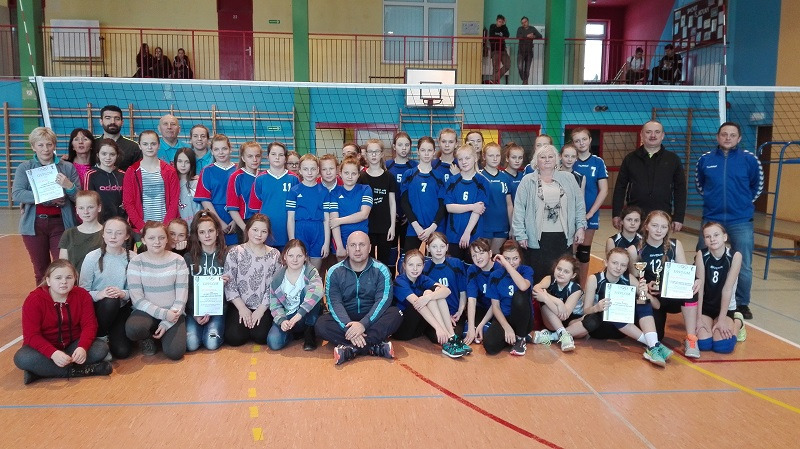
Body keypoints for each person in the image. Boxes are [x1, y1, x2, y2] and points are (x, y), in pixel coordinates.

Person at [535, 248, 674, 367]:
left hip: (622, 330)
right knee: (608, 310)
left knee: (643, 302)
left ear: (627, 267)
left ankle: (653, 346)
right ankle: (654, 345)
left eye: (623, 265)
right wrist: (597, 307)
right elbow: (586, 310)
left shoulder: (630, 279)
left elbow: (657, 305)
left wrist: (645, 293)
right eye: (614, 263)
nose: (618, 267)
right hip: (599, 326)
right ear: (606, 262)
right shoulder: (595, 279)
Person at [696, 122, 763, 320]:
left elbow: (757, 186)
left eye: (732, 135)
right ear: (718, 137)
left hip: (740, 220)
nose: (728, 138)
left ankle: (742, 304)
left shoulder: (749, 160)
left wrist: (741, 203)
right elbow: (701, 185)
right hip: (712, 218)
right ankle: (702, 297)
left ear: (739, 138)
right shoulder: (705, 159)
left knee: (744, 264)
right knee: (701, 258)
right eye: (724, 134)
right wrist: (713, 201)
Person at [14, 260, 111, 384]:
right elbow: (31, 336)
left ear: (75, 279)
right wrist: (53, 353)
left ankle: (40, 372)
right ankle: (82, 370)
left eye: (69, 277)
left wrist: (82, 347)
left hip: (72, 345)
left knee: (100, 349)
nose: (64, 282)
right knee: (22, 358)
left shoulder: (82, 295)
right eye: (58, 278)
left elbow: (89, 325)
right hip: (46, 349)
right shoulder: (34, 300)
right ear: (48, 280)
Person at [314, 231, 402, 365]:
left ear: (369, 247)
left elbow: (383, 300)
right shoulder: (334, 271)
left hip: (372, 318)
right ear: (347, 248)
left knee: (396, 314)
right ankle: (374, 346)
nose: (357, 249)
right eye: (353, 245)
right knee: (321, 324)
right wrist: (348, 327)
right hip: (346, 318)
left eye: (362, 244)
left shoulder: (381, 269)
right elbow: (334, 302)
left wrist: (363, 324)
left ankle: (351, 349)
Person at [12, 127, 80, 284]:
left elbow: (78, 197)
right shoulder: (25, 167)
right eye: (40, 145)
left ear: (54, 145)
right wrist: (47, 199)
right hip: (34, 225)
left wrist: (69, 186)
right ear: (33, 147)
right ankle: (44, 300)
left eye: (49, 144)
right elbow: (17, 194)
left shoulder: (67, 167)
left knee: (63, 268)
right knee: (41, 271)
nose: (46, 149)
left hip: (61, 224)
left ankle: (63, 298)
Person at [512, 144, 586, 285]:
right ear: (536, 161)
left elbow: (579, 205)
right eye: (543, 157)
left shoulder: (569, 178)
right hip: (536, 238)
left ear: (556, 159)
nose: (547, 160)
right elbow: (519, 209)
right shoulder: (528, 180)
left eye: (550, 157)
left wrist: (581, 227)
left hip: (563, 237)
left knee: (561, 276)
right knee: (538, 276)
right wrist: (520, 234)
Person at [628, 210, 700, 357]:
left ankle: (691, 339)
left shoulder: (675, 245)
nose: (659, 230)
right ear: (646, 226)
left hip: (672, 297)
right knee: (658, 336)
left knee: (691, 290)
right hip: (653, 299)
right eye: (655, 225)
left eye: (664, 227)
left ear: (668, 228)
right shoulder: (634, 250)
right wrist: (645, 287)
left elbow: (684, 271)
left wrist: (695, 279)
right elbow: (632, 278)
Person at [125, 221, 189, 360]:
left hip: (173, 313)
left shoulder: (178, 260)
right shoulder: (136, 262)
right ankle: (148, 338)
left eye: (161, 237)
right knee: (133, 329)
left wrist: (167, 321)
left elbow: (182, 296)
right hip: (146, 312)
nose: (157, 242)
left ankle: (163, 332)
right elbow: (137, 299)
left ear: (167, 239)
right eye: (151, 238)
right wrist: (164, 314)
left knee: (175, 353)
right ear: (143, 240)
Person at [612, 120, 687, 233]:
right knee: (634, 244)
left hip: (662, 214)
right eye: (648, 132)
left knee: (659, 244)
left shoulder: (673, 160)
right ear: (642, 135)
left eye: (657, 132)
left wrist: (679, 217)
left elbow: (680, 190)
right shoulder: (630, 159)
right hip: (635, 215)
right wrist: (617, 214)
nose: (653, 135)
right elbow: (620, 188)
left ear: (662, 135)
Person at [393, 249, 469, 358]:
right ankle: (448, 339)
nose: (415, 269)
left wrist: (429, 297)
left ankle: (452, 336)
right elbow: (417, 305)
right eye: (411, 265)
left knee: (432, 294)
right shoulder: (400, 281)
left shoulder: (422, 278)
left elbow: (446, 291)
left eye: (419, 265)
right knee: (427, 294)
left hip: (418, 328)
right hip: (403, 330)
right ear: (404, 266)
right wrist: (438, 328)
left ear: (423, 266)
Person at [79, 217, 136, 359]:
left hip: (121, 308)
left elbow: (137, 291)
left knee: (122, 352)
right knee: (110, 300)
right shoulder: (92, 257)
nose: (113, 236)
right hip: (98, 308)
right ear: (103, 234)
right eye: (109, 232)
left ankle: (112, 333)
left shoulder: (133, 258)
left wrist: (123, 293)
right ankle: (100, 336)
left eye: (119, 233)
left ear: (127, 236)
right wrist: (100, 294)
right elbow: (82, 292)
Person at [223, 214, 281, 346]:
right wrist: (242, 308)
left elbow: (275, 286)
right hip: (239, 304)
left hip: (263, 305)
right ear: (247, 229)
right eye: (255, 230)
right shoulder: (235, 252)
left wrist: (261, 310)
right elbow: (230, 283)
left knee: (261, 337)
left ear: (268, 233)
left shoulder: (275, 255)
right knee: (234, 338)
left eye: (263, 231)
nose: (259, 234)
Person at [694, 222, 747, 354]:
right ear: (704, 240)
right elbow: (700, 288)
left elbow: (727, 289)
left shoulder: (735, 256)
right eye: (708, 236)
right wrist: (698, 318)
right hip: (706, 307)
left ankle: (738, 322)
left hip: (725, 308)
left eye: (716, 235)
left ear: (724, 237)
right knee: (703, 344)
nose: (712, 239)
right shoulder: (701, 255)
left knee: (723, 347)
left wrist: (722, 319)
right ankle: (711, 322)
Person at [267, 239, 323, 351]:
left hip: (304, 315)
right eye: (291, 256)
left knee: (309, 290)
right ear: (284, 257)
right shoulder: (277, 279)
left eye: (299, 256)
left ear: (305, 257)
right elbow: (274, 305)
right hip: (288, 317)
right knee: (273, 342)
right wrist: (282, 320)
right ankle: (292, 334)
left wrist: (299, 314)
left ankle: (309, 332)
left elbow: (318, 291)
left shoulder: (310, 272)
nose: (295, 260)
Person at [184, 211, 228, 352]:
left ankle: (216, 331)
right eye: (202, 232)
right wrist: (194, 312)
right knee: (191, 344)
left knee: (211, 343)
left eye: (211, 231)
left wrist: (226, 283)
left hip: (218, 310)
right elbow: (186, 290)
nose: (207, 235)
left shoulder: (227, 256)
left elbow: (234, 289)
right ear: (197, 235)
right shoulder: (188, 258)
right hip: (195, 311)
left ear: (217, 232)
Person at [122, 130, 180, 235]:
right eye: (145, 144)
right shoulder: (131, 171)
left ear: (159, 145)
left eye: (153, 144)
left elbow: (174, 201)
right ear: (139, 146)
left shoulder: (170, 171)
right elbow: (128, 203)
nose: (149, 147)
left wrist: (165, 226)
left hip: (165, 227)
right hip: (141, 229)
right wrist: (141, 227)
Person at [483, 240, 534, 356]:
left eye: (515, 258)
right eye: (507, 259)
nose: (511, 262)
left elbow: (523, 286)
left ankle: (521, 338)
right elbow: (495, 307)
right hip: (504, 317)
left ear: (520, 258)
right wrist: (507, 328)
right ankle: (513, 337)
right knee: (490, 346)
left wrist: (506, 265)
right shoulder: (495, 275)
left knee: (519, 296)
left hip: (523, 319)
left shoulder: (526, 270)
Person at [571, 128, 608, 284]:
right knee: (570, 252)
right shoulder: (570, 160)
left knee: (584, 252)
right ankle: (568, 286)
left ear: (590, 140)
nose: (581, 143)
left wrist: (591, 213)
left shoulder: (597, 162)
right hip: (571, 214)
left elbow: (604, 190)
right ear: (573, 143)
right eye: (577, 140)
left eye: (584, 139)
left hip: (589, 214)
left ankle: (582, 287)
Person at [248, 142, 299, 251]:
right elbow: (255, 210)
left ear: (285, 158)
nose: (277, 157)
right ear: (268, 157)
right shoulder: (260, 179)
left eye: (281, 155)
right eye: (273, 154)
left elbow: (299, 207)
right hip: (266, 233)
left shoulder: (294, 179)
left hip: (288, 232)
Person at [443, 144, 489, 261]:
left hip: (474, 236)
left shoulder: (482, 182)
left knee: (472, 268)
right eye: (460, 159)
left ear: (475, 158)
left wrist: (467, 233)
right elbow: (449, 207)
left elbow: (478, 210)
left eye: (467, 158)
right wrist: (472, 206)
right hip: (454, 235)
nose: (464, 162)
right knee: (456, 267)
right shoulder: (452, 181)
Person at [400, 136, 446, 251]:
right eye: (423, 150)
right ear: (418, 151)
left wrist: (432, 227)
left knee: (435, 260)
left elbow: (443, 205)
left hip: (435, 228)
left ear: (434, 152)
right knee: (409, 259)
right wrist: (416, 226)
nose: (426, 154)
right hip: (414, 228)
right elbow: (404, 203)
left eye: (429, 150)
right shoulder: (409, 174)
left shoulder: (439, 177)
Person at [359, 139, 398, 273]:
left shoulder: (389, 177)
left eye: (376, 151)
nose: (374, 155)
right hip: (367, 226)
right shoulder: (361, 177)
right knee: (367, 261)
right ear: (366, 154)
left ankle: (383, 285)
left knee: (383, 262)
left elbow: (392, 203)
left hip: (384, 226)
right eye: (370, 152)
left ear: (382, 154)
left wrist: (392, 226)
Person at [287, 154, 330, 271]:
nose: (309, 172)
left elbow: (326, 219)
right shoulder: (294, 191)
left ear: (318, 170)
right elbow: (290, 218)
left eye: (313, 169)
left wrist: (326, 243)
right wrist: (292, 241)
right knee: (300, 270)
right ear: (300, 171)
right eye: (306, 169)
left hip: (318, 232)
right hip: (300, 231)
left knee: (315, 272)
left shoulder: (324, 191)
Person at [531, 255, 582, 352]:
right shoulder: (549, 279)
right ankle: (563, 335)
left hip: (571, 322)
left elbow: (564, 316)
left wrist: (546, 298)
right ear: (555, 268)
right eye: (559, 269)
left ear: (573, 275)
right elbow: (535, 289)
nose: (561, 273)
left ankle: (553, 336)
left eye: (566, 271)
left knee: (589, 323)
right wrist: (557, 302)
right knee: (542, 298)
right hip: (552, 321)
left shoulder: (576, 289)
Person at [423, 232, 469, 338]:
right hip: (436, 314)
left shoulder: (456, 264)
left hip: (455, 312)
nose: (438, 250)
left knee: (456, 334)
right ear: (428, 248)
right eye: (434, 247)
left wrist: (460, 311)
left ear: (447, 247)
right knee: (438, 337)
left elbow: (463, 292)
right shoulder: (425, 268)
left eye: (442, 246)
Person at [194, 134, 238, 244]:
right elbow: (205, 200)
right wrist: (219, 222)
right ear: (212, 152)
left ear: (230, 149)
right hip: (215, 216)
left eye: (224, 149)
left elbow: (245, 198)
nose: (221, 152)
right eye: (216, 149)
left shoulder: (239, 170)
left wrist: (237, 220)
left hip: (237, 216)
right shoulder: (207, 171)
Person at [326, 156, 372, 260]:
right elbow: (333, 222)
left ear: (358, 175)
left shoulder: (365, 189)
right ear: (340, 173)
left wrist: (340, 221)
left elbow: (364, 214)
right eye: (346, 173)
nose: (350, 176)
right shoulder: (334, 193)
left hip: (360, 239)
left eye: (353, 173)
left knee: (360, 267)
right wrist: (339, 246)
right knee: (343, 269)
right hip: (342, 239)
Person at [464, 238, 503, 345]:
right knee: (469, 332)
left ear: (490, 253)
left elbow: (496, 303)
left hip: (498, 309)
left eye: (481, 253)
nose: (478, 258)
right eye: (474, 255)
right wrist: (471, 328)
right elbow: (471, 300)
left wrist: (481, 324)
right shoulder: (472, 270)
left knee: (488, 335)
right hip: (482, 308)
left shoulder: (499, 269)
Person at [386, 131, 418, 259]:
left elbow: (416, 194)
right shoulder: (387, 165)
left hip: (408, 217)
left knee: (407, 255)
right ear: (394, 147)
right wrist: (390, 213)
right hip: (390, 217)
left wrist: (409, 214)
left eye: (407, 145)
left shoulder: (415, 166)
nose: (403, 148)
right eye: (400, 145)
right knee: (391, 254)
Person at [58, 190, 104, 275]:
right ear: (76, 210)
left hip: (100, 281)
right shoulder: (69, 234)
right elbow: (63, 265)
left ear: (99, 208)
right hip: (75, 280)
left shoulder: (107, 233)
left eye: (90, 207)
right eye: (81, 208)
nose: (86, 212)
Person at [480, 142, 513, 253]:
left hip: (501, 225)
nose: (495, 159)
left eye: (497, 155)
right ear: (484, 157)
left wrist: (512, 226)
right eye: (491, 155)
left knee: (496, 257)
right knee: (483, 255)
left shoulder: (505, 177)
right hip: (484, 224)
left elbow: (509, 204)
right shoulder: (479, 176)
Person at [85, 138, 127, 222]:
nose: (108, 158)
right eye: (104, 154)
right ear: (98, 155)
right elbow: (87, 200)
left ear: (117, 155)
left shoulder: (123, 175)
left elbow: (128, 200)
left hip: (120, 220)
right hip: (98, 221)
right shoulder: (90, 175)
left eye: (112, 154)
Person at [226, 141, 263, 237]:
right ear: (243, 158)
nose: (254, 159)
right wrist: (245, 229)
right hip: (245, 223)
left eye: (257, 156)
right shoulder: (236, 177)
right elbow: (232, 208)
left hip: (263, 223)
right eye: (250, 156)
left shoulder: (263, 176)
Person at [92, 105, 142, 172]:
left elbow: (138, 173)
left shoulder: (133, 147)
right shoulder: (92, 145)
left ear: (122, 122)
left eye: (117, 118)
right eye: (108, 118)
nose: (112, 122)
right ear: (101, 121)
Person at [174, 148, 202, 225]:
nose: (183, 165)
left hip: (194, 225)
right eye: (180, 161)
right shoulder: (172, 183)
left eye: (187, 162)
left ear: (192, 163)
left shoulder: (197, 183)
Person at [516, 16, 542, 84]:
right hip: (521, 51)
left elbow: (540, 36)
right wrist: (527, 36)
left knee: (527, 69)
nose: (524, 24)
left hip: (529, 51)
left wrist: (534, 36)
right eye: (522, 23)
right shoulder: (520, 29)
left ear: (528, 21)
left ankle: (525, 82)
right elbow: (518, 36)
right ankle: (524, 80)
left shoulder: (532, 29)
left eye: (525, 22)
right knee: (520, 67)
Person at [488, 14, 510, 84]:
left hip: (503, 49)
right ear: (496, 21)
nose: (500, 23)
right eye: (499, 21)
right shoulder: (492, 26)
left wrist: (504, 25)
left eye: (502, 22)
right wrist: (500, 38)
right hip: (495, 49)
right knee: (496, 68)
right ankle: (495, 83)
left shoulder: (504, 28)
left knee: (507, 64)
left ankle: (494, 79)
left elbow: (507, 35)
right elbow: (492, 36)